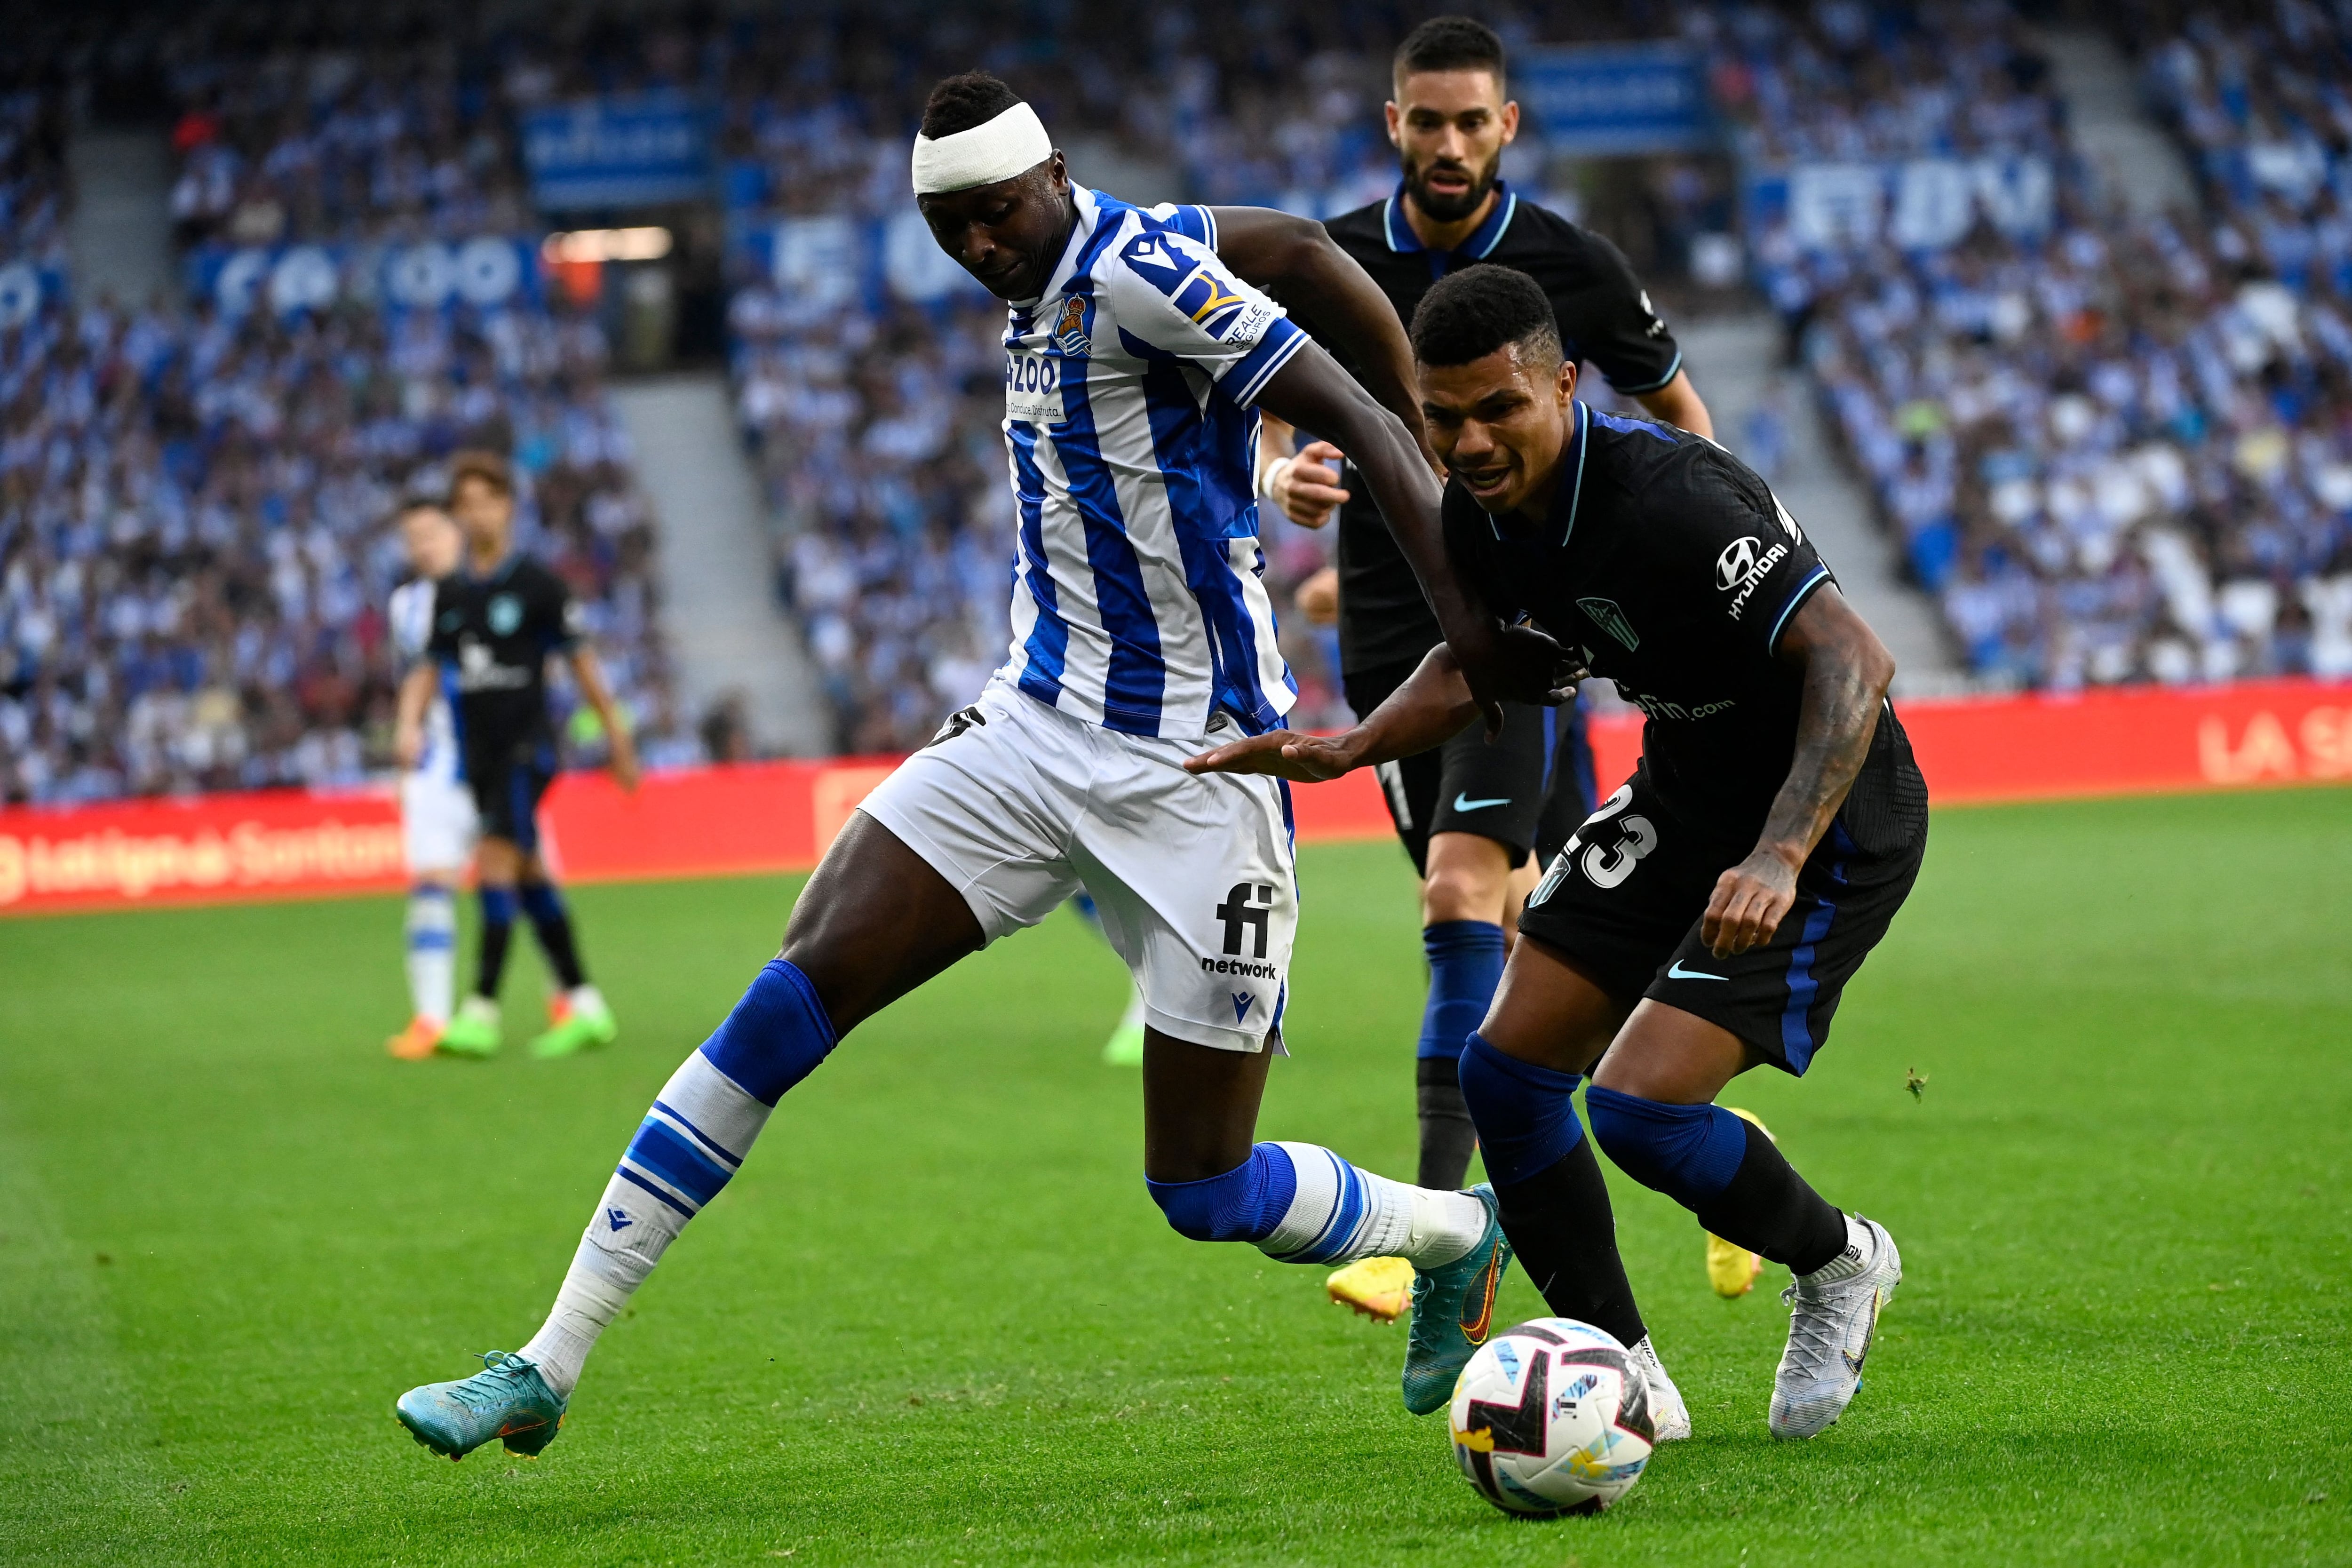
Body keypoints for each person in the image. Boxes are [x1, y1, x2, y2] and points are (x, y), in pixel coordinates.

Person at [393, 73, 1589, 1463]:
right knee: (786, 1004)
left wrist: (1472, 626)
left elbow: (1375, 424)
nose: (978, 246)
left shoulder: (1137, 268)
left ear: (1056, 177)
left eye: (997, 215)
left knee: (1200, 1188)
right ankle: (545, 1358)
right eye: (948, 226)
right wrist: (1252, 480)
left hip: (1201, 771)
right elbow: (1291, 256)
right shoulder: (1071, 261)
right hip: (1027, 733)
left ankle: (1452, 1229)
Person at [1192, 264, 1926, 1440]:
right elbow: (1481, 662)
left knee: (1636, 1113)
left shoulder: (1673, 498)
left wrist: (1781, 854)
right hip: (1683, 794)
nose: (1471, 442)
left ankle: (1839, 1260)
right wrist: (1355, 745)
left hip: (1826, 812)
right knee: (1507, 1076)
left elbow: (1853, 655)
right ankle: (1623, 1374)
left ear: (1565, 387)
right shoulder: (1478, 517)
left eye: (1499, 410)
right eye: (1445, 418)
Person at [1252, 19, 1716, 1319]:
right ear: (1390, 122)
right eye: (1425, 121)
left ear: (1508, 127)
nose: (1448, 144)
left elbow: (1683, 418)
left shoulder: (1572, 262)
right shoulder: (1329, 258)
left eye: (1472, 123)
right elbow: (1271, 407)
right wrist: (1277, 473)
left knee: (1463, 899)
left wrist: (1681, 553)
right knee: (1550, 960)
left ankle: (1434, 1229)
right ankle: (1729, 1170)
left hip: (1520, 623)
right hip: (1390, 636)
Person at [394, 451, 639, 1061]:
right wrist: (407, 724)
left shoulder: (538, 586)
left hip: (527, 750)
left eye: (487, 500)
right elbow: (428, 669)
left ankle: (480, 1010)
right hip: (477, 758)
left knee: (495, 864)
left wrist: (617, 735)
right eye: (466, 504)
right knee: (530, 878)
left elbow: (582, 663)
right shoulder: (452, 595)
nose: (478, 513)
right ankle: (585, 1005)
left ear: (507, 506)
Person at [384, 501, 479, 1061]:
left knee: (526, 884)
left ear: (456, 533)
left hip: (499, 760)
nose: (423, 546)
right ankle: (431, 1018)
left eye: (432, 533)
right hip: (438, 764)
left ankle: (569, 1001)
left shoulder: (494, 589)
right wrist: (405, 743)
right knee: (430, 883)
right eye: (412, 537)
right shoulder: (407, 606)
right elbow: (413, 675)